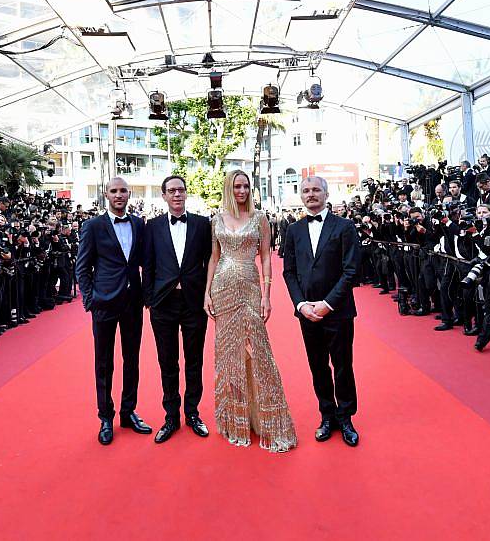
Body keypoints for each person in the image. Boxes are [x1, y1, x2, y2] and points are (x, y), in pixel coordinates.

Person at [206, 169, 296, 452]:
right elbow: (214, 257)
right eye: (236, 187)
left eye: (245, 186)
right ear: (228, 189)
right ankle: (236, 418)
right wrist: (206, 292)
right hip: (222, 290)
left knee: (258, 351)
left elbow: (266, 257)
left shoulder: (260, 219)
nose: (242, 191)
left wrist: (267, 295)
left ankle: (267, 419)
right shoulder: (217, 219)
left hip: (249, 288)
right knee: (229, 353)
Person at [283, 175, 361, 447]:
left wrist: (327, 304)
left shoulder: (345, 227)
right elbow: (289, 272)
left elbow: (351, 270)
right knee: (317, 367)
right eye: (306, 190)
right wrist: (301, 304)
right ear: (301, 196)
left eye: (316, 189)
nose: (311, 194)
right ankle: (327, 415)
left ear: (326, 194)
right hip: (307, 313)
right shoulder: (293, 230)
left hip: (338, 311)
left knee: (342, 366)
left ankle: (346, 417)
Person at [76, 177, 149, 446]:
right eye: (114, 191)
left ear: (129, 194)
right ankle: (105, 416)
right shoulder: (93, 226)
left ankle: (128, 412)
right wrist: (90, 300)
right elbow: (82, 267)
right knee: (104, 362)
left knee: (132, 359)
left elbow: (145, 261)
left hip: (132, 302)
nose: (119, 195)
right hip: (104, 303)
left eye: (123, 191)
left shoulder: (139, 223)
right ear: (106, 194)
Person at [142, 175, 212, 443]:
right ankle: (171, 416)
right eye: (171, 191)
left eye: (181, 190)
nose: (177, 195)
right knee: (167, 362)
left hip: (194, 303)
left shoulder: (202, 224)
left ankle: (192, 413)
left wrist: (208, 294)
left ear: (186, 193)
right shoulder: (153, 226)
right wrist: (149, 299)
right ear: (164, 196)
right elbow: (147, 265)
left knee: (194, 361)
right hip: (163, 304)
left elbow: (210, 261)